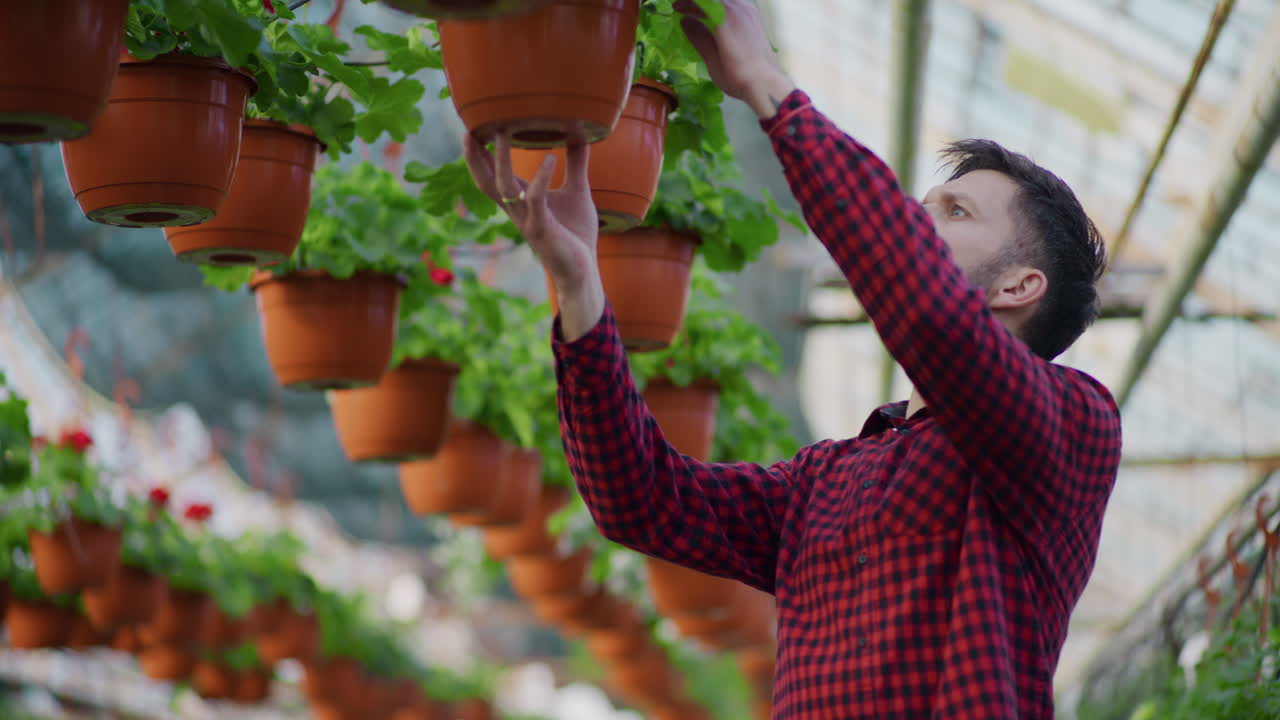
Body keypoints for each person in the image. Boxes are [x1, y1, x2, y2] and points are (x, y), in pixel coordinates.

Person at [464, 2, 1124, 717]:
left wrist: (764, 80)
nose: (917, 217)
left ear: (1019, 286)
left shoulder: (1070, 426)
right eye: (923, 204)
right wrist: (577, 278)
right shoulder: (825, 479)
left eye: (955, 212)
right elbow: (640, 499)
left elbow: (931, 310)